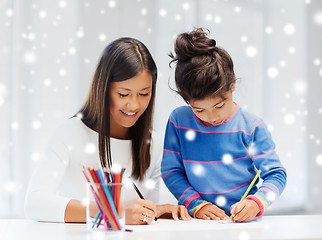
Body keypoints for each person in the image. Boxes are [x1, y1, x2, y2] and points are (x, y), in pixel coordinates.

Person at [24, 37, 191, 224]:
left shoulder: (154, 144)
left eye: (144, 94)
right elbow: (34, 203)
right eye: (123, 94)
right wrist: (111, 212)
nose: (134, 104)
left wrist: (159, 210)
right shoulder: (70, 134)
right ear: (103, 89)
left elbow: (147, 212)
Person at [161, 28, 287, 222]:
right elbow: (171, 172)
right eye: (199, 110)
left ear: (233, 84)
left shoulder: (252, 127)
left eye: (220, 105)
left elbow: (276, 175)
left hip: (240, 224)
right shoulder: (178, 121)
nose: (212, 117)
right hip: (194, 223)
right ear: (187, 101)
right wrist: (196, 204)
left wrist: (256, 203)